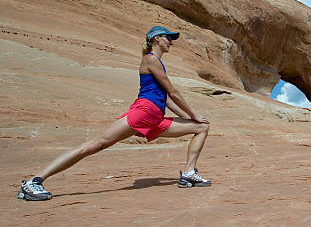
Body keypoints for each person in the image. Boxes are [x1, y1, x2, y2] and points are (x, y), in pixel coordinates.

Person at [18, 26, 211, 201]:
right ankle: (34, 181)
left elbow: (167, 99)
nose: (171, 42)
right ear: (156, 39)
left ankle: (188, 173)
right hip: (142, 113)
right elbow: (173, 92)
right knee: (95, 145)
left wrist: (189, 119)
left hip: (154, 118)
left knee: (201, 127)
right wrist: (192, 113)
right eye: (168, 38)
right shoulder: (151, 59)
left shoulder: (157, 62)